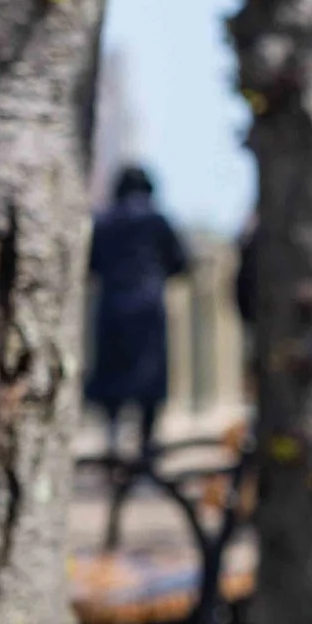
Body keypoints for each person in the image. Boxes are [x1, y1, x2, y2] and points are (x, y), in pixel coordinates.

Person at [86, 165, 189, 458]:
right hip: (148, 306)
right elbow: (180, 262)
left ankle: (112, 442)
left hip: (111, 307)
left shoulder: (103, 221)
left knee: (111, 375)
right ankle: (146, 445)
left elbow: (90, 264)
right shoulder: (158, 221)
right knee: (150, 377)